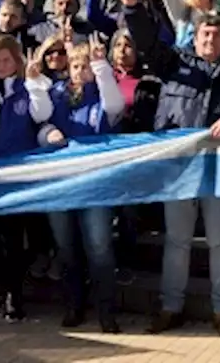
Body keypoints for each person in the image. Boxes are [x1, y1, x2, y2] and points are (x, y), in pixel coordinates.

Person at [126, 2, 220, 338]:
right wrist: (132, 8)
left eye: (216, 35)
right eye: (204, 33)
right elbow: (146, 41)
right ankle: (170, 308)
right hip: (180, 169)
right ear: (195, 37)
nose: (210, 40)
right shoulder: (174, 64)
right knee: (177, 241)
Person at [29, 37, 126, 333]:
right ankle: (73, 305)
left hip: (96, 184)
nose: (79, 70)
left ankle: (106, 310)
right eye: (75, 65)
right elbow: (39, 117)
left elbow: (115, 106)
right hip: (61, 183)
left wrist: (101, 66)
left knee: (99, 247)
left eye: (85, 65)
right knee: (66, 248)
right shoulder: (57, 94)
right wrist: (47, 132)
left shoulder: (102, 95)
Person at [0, 35, 48, 322]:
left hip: (16, 177)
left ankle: (15, 294)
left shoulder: (27, 91)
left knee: (14, 239)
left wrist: (36, 83)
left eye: (7, 59)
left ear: (17, 62)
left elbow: (42, 116)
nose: (2, 65)